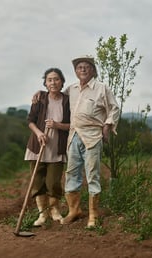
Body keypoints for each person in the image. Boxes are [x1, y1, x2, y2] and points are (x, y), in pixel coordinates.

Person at [33, 55, 120, 228]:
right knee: (72, 173)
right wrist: (41, 93)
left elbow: (114, 108)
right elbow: (55, 94)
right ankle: (74, 211)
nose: (83, 70)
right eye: (79, 67)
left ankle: (93, 216)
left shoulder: (101, 88)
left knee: (92, 175)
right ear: (75, 71)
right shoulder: (71, 89)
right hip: (73, 136)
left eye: (86, 67)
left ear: (93, 70)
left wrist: (108, 125)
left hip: (92, 136)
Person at [24, 67, 70, 226]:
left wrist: (58, 125)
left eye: (56, 79)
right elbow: (30, 121)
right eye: (49, 80)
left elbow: (74, 125)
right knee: (37, 182)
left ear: (62, 82)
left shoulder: (68, 100)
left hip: (57, 148)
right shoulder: (40, 99)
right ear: (45, 83)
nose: (53, 82)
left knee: (53, 182)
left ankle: (55, 211)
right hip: (38, 147)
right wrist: (38, 133)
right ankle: (42, 214)